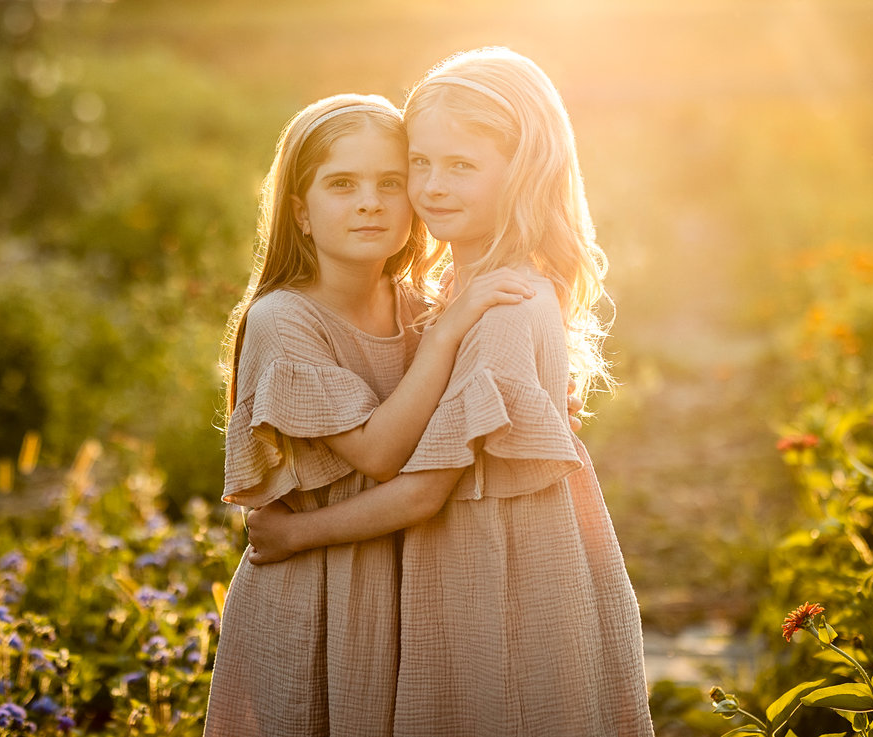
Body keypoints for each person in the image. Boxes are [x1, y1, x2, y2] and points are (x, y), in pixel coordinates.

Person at [246, 48, 655, 736]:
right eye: (422, 165)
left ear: (522, 171)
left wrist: (294, 531)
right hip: (473, 569)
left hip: (493, 580)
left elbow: (421, 489)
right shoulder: (454, 295)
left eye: (461, 165)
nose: (432, 186)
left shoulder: (501, 302)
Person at [203, 92, 536, 737]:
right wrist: (445, 336)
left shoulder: (421, 306)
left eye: (390, 182)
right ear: (300, 214)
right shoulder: (285, 319)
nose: (370, 202)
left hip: (413, 584)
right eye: (342, 184)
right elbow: (380, 454)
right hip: (314, 595)